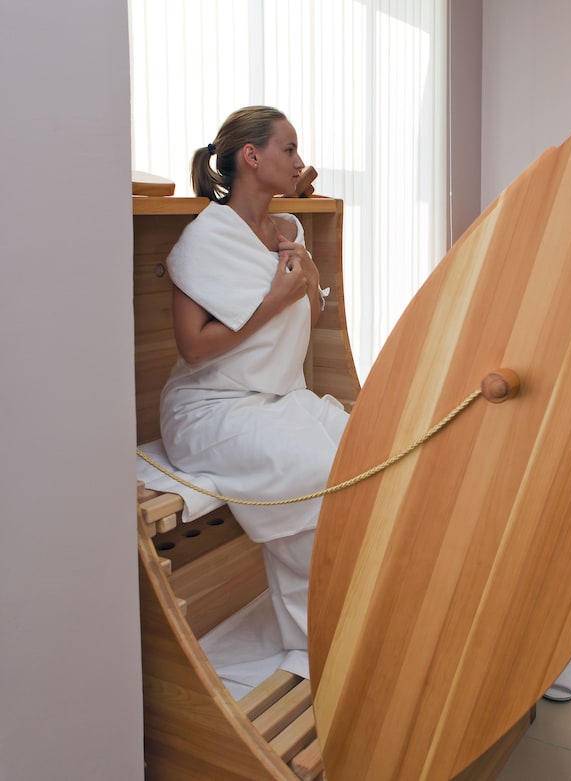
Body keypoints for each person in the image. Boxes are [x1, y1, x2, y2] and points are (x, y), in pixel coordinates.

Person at [159, 106, 349, 679]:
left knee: (363, 452)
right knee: (316, 470)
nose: (299, 160)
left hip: (274, 397)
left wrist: (309, 283)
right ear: (251, 156)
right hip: (210, 408)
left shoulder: (289, 230)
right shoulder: (206, 238)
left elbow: (310, 319)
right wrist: (278, 298)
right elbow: (194, 347)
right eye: (288, 149)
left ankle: (352, 613)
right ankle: (316, 640)